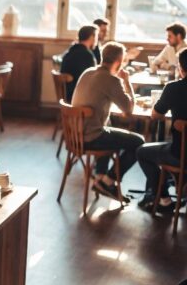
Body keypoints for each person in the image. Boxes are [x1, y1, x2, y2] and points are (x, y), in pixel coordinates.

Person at [71, 42, 144, 199]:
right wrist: (126, 81)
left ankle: (100, 176)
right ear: (118, 62)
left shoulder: (88, 72)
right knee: (139, 142)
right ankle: (108, 181)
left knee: (107, 126)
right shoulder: (112, 80)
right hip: (91, 137)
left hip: (75, 136)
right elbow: (129, 109)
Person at [136, 48, 187, 213]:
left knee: (142, 152)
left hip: (180, 153)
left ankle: (163, 199)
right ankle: (180, 184)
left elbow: (156, 115)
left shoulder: (173, 88)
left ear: (181, 68)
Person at [60, 24, 98, 101]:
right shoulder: (87, 55)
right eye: (96, 37)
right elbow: (92, 81)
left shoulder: (69, 52)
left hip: (68, 95)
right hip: (78, 97)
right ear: (91, 37)